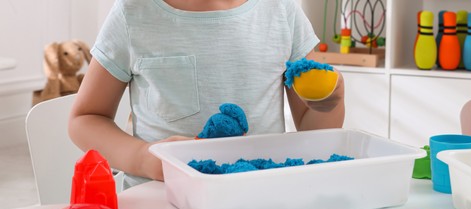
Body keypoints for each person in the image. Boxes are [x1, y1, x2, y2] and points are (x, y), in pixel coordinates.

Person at [68, 0, 345, 188]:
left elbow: (314, 128)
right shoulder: (133, 13)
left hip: (261, 196)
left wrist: (329, 100)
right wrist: (143, 157)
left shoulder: (282, 10)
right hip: (163, 202)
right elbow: (85, 118)